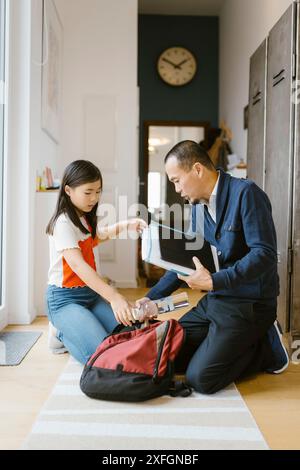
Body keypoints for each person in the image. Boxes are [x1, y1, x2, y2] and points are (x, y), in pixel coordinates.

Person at [138, 140, 289, 395]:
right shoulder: (197, 208)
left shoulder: (247, 194)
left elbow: (264, 254)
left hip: (250, 304)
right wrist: (150, 298)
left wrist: (215, 282)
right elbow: (184, 264)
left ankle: (266, 347)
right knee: (169, 356)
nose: (176, 189)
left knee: (201, 379)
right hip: (215, 301)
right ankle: (230, 343)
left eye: (177, 180)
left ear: (197, 169)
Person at [46, 160, 147, 365]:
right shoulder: (63, 223)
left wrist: (126, 225)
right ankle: (60, 333)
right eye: (88, 192)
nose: (95, 198)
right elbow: (78, 265)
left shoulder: (82, 217)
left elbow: (96, 237)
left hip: (90, 296)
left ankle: (77, 326)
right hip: (65, 300)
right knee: (102, 356)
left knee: (128, 334)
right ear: (68, 190)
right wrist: (114, 297)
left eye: (98, 191)